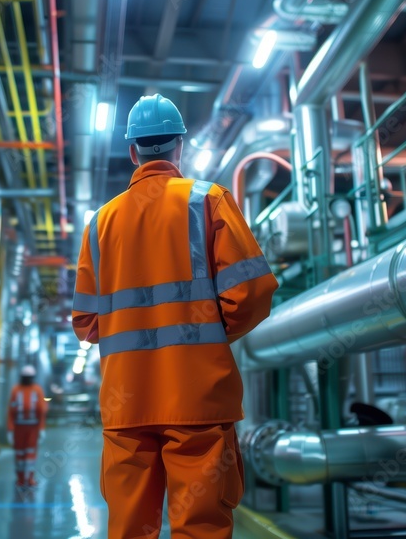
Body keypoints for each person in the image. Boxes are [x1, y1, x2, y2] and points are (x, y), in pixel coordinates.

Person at [72, 94, 278, 538]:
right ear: (180, 146)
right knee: (201, 525)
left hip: (126, 404)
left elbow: (86, 323)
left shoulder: (100, 224)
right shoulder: (210, 200)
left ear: (132, 152)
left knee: (130, 528)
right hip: (198, 397)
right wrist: (212, 333)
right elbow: (254, 292)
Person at [6, 365, 48, 488]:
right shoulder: (16, 390)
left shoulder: (37, 390)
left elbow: (42, 411)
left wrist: (41, 428)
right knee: (19, 453)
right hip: (19, 428)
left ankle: (29, 478)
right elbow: (11, 411)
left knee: (30, 453)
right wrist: (10, 429)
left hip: (33, 428)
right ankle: (20, 479)